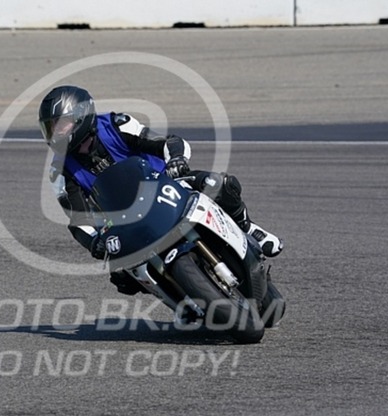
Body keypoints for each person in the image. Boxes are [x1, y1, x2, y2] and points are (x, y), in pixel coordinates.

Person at [39, 85, 283, 295]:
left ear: (81, 116)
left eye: (60, 125)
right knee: (123, 278)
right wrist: (95, 242)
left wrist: (176, 159)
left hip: (165, 184)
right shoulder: (59, 171)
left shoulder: (116, 124)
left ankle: (247, 228)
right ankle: (184, 302)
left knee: (219, 184)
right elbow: (78, 219)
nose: (55, 134)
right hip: (123, 220)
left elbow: (168, 143)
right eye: (50, 128)